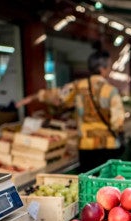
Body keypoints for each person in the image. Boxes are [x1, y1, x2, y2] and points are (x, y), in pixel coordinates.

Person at [16, 42, 125, 173]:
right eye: (109, 67)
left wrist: (34, 97)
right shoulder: (111, 91)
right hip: (108, 145)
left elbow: (58, 95)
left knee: (88, 181)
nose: (110, 70)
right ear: (102, 69)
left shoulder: (78, 86)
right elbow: (118, 121)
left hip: (86, 146)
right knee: (106, 183)